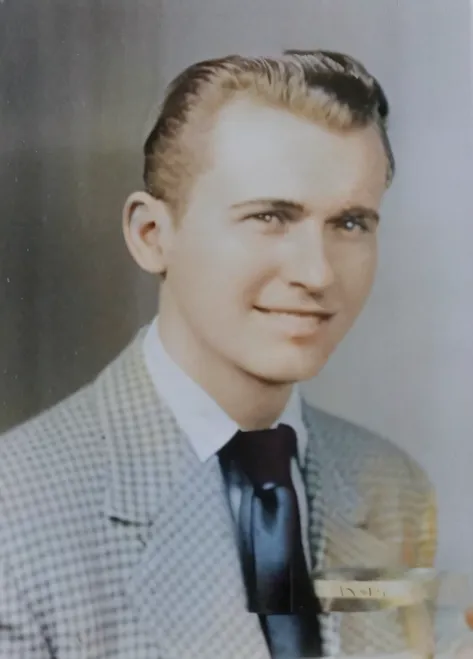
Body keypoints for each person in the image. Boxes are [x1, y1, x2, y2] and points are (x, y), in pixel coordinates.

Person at [0, 49, 439, 658]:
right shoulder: (16, 512)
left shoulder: (391, 487)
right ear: (152, 235)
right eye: (269, 216)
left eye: (350, 223)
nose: (316, 273)